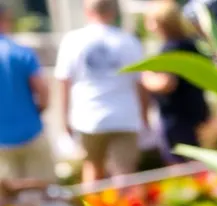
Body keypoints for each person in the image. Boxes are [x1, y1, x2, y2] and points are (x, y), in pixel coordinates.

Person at [55, 0, 149, 183]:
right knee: (124, 175)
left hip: (88, 117)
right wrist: (144, 116)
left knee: (92, 170)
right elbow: (140, 83)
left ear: (87, 11)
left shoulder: (73, 40)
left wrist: (64, 119)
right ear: (113, 13)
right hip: (124, 116)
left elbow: (64, 82)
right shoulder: (127, 41)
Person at [141, 0, 210, 164]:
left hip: (177, 119)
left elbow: (166, 84)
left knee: (181, 165)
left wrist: (145, 77)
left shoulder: (171, 49)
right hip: (198, 112)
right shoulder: (192, 45)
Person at [0, 4, 54, 181]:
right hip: (31, 132)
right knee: (38, 190)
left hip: (3, 141)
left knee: (6, 197)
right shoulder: (21, 52)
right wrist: (38, 110)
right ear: (6, 19)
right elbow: (42, 91)